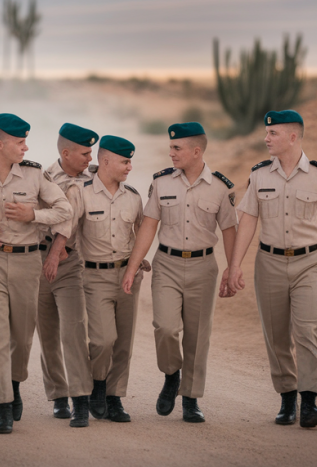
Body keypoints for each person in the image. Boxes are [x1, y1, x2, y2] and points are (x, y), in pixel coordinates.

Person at [222, 110, 317, 429]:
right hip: (269, 264)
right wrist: (234, 265)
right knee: (276, 336)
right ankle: (287, 398)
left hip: (309, 263)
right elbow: (248, 220)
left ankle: (309, 403)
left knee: (307, 331)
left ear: (293, 136)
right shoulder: (260, 175)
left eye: (273, 133)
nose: (266, 138)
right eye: (266, 133)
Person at [0, 113, 74, 434]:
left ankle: (14, 384)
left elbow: (64, 210)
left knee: (21, 336)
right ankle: (2, 405)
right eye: (19, 142)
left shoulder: (35, 176)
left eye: (26, 141)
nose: (25, 147)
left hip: (28, 262)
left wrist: (33, 214)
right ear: (0, 144)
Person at [122, 122, 237, 423]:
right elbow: (148, 226)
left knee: (198, 336)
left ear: (196, 151)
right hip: (167, 264)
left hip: (203, 266)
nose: (170, 153)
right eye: (170, 147)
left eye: (177, 148)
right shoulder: (161, 183)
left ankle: (190, 398)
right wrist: (133, 266)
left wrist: (232, 267)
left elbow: (229, 229)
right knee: (166, 327)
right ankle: (172, 374)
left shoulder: (221, 187)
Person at [76, 135, 148, 423]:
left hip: (128, 276)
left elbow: (143, 231)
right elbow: (68, 232)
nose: (130, 166)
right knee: (103, 339)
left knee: (124, 341)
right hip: (95, 277)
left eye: (130, 161)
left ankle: (115, 397)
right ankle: (98, 384)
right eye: (125, 161)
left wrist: (140, 260)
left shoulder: (133, 196)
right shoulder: (81, 192)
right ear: (105, 161)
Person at [35, 123, 99, 428]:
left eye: (91, 153)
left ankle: (80, 400)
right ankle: (58, 394)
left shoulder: (93, 179)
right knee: (47, 332)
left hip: (70, 262)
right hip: (36, 259)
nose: (90, 158)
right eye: (85, 153)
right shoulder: (41, 178)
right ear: (66, 152)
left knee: (73, 330)